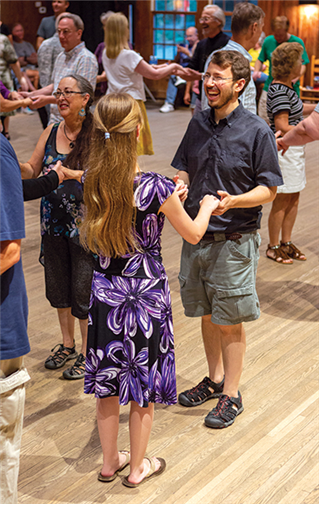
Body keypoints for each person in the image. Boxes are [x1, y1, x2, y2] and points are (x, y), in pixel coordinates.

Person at [80, 92, 219, 487]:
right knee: (143, 385)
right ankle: (138, 467)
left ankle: (110, 463)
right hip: (146, 297)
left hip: (106, 293)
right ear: (137, 132)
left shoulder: (92, 180)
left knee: (107, 383)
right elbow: (193, 233)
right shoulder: (157, 188)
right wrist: (203, 205)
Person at [171, 50, 283, 429]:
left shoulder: (256, 130)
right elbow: (185, 166)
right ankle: (215, 379)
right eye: (207, 76)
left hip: (235, 241)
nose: (210, 84)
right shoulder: (198, 123)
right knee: (206, 313)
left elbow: (269, 190)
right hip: (197, 236)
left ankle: (232, 394)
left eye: (218, 78)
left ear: (239, 84)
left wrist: (235, 200)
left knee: (230, 319)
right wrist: (180, 184)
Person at [20, 75, 95, 381]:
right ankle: (67, 344)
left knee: (83, 290)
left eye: (68, 93)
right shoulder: (51, 129)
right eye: (58, 93)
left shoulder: (97, 132)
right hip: (52, 224)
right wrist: (12, 163)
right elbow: (32, 168)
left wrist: (70, 174)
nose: (61, 98)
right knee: (58, 287)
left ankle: (89, 354)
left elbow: (104, 174)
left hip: (85, 228)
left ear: (85, 98)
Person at [102, 12, 188, 155]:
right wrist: (173, 67)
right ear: (123, 31)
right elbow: (153, 74)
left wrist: (167, 66)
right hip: (130, 103)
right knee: (131, 145)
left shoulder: (106, 53)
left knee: (117, 143)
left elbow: (147, 67)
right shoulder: (128, 55)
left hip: (112, 102)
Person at [266, 43, 315, 264]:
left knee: (294, 197)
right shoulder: (278, 91)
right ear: (290, 66)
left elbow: (296, 108)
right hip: (285, 150)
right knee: (282, 199)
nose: (303, 64)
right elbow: (282, 126)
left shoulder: (288, 89)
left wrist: (314, 108)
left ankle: (286, 242)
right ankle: (273, 245)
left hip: (295, 149)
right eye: (300, 60)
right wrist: (307, 130)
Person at [22, 13, 98, 125]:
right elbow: (55, 85)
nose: (61, 36)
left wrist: (46, 100)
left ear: (79, 33)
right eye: (59, 31)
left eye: (66, 31)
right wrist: (32, 94)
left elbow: (81, 97)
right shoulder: (61, 56)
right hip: (55, 120)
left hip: (74, 123)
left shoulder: (86, 58)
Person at [201, 2, 265, 114]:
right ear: (254, 28)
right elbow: (239, 116)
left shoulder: (215, 55)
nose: (261, 33)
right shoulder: (235, 61)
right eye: (261, 27)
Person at [253, 16, 309, 123]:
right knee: (264, 120)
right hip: (270, 86)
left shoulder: (296, 42)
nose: (278, 37)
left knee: (289, 119)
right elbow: (260, 59)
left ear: (286, 30)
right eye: (276, 34)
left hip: (291, 87)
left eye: (281, 35)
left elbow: (303, 64)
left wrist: (295, 78)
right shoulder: (268, 41)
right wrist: (256, 71)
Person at [183, 4, 230, 115]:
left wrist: (199, 76)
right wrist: (175, 69)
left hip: (221, 97)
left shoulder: (228, 44)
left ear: (218, 21)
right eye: (202, 19)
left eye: (206, 19)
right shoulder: (201, 44)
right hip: (202, 96)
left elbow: (226, 73)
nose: (202, 22)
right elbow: (192, 66)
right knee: (198, 129)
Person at [159, 26, 199, 113]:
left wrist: (187, 53)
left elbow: (197, 62)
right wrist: (178, 53)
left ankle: (172, 100)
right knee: (172, 74)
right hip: (180, 70)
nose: (188, 38)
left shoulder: (199, 46)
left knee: (177, 75)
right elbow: (176, 61)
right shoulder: (185, 46)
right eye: (187, 36)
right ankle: (169, 103)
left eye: (190, 36)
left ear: (197, 35)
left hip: (192, 72)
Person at [0, 33, 27, 139]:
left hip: (4, 79)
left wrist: (10, 93)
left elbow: (13, 61)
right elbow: (3, 105)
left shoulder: (3, 39)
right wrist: (24, 102)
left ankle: (5, 132)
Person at [12, 23, 39, 90]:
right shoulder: (13, 46)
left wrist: (24, 58)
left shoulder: (28, 44)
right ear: (12, 33)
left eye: (21, 30)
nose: (20, 33)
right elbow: (18, 62)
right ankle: (35, 93)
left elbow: (36, 60)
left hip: (32, 68)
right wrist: (29, 58)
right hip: (21, 70)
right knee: (37, 74)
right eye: (17, 31)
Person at [94, 11, 115, 96]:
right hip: (106, 89)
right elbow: (93, 64)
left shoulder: (126, 47)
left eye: (106, 26)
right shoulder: (101, 46)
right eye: (104, 25)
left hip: (119, 90)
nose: (104, 28)